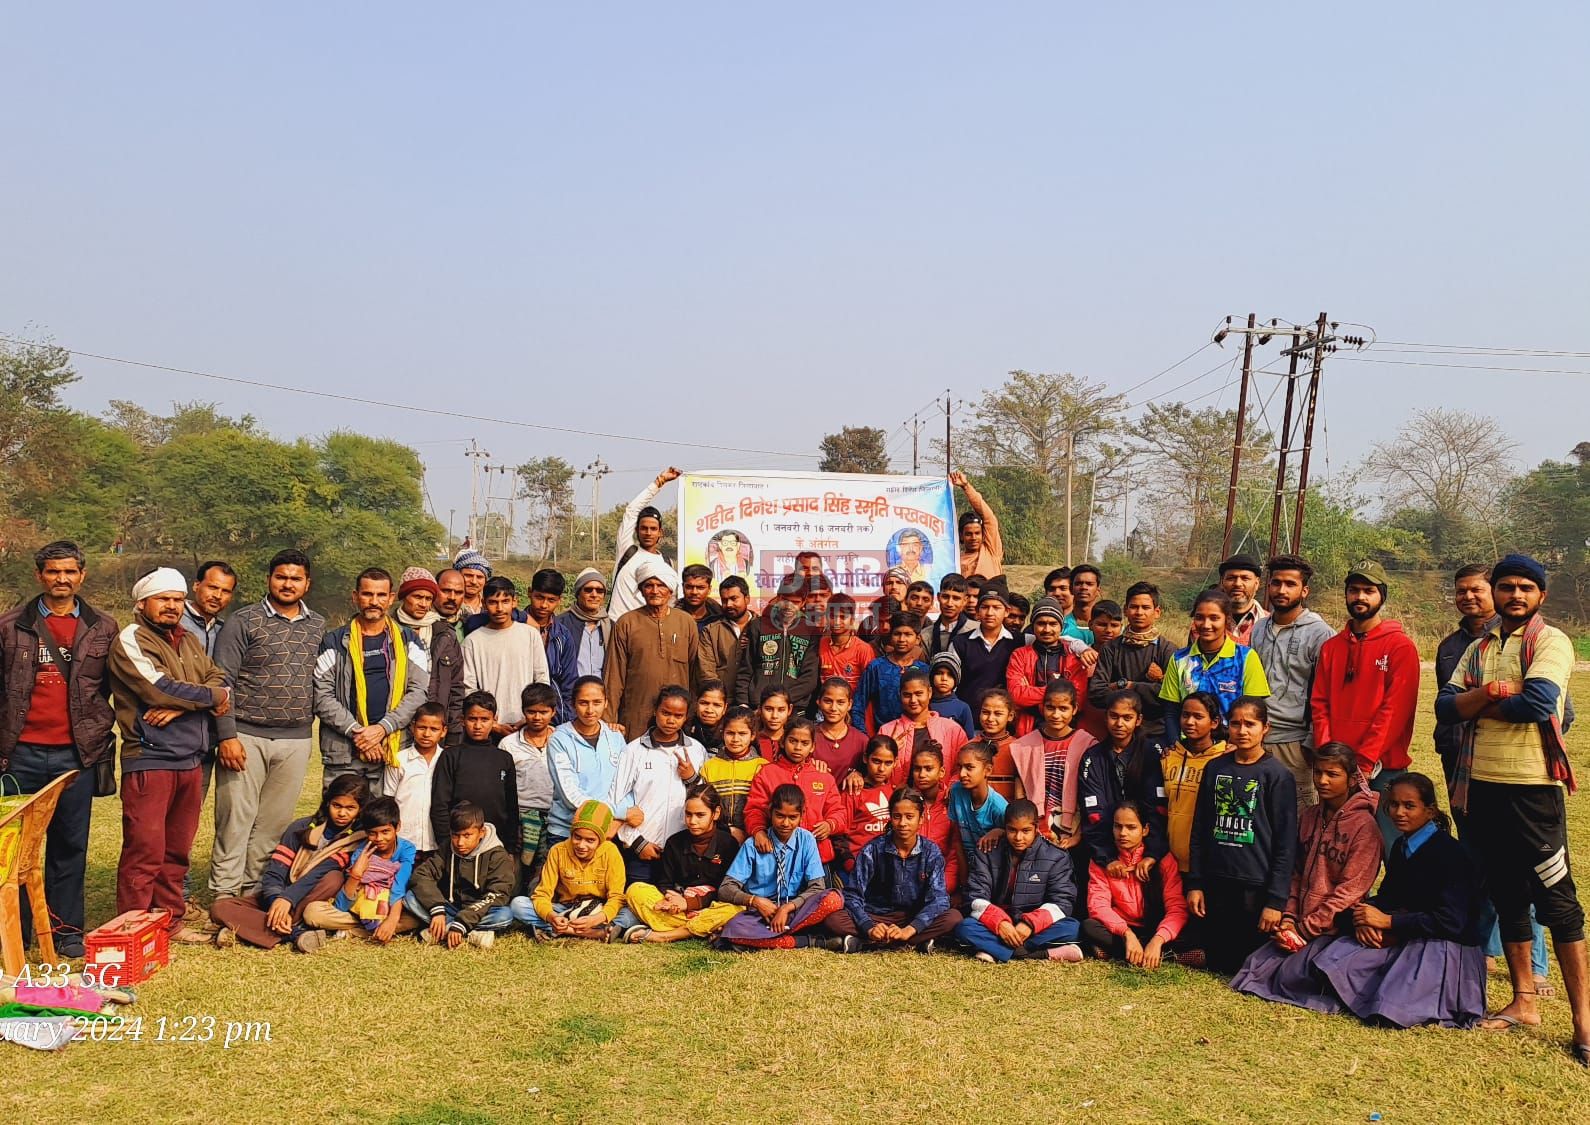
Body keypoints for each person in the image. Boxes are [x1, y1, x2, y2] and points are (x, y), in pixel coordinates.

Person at [1436, 554, 1588, 1059]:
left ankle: (1584, 1020)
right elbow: (1442, 706)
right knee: (1505, 890)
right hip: (1480, 786)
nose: (1515, 595)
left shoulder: (1551, 641)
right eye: (1507, 587)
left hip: (1531, 789)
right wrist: (1494, 693)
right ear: (1495, 593)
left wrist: (1478, 701)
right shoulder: (1480, 645)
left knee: (1557, 899)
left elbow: (1540, 703)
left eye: (1526, 587)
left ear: (1541, 595)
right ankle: (1523, 999)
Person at [1231, 773, 1487, 1029]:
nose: (1399, 812)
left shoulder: (1450, 853)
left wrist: (1389, 922)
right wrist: (1364, 918)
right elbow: (1389, 897)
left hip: (1444, 947)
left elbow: (1452, 921)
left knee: (1390, 1004)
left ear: (1430, 811)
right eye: (1394, 804)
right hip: (1405, 933)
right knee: (1319, 964)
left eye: (1409, 806)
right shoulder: (1401, 846)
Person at [1436, 563, 1551, 995]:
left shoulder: (1534, 642)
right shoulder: (1453, 646)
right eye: (1461, 591)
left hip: (1520, 768)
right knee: (1479, 860)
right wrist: (1475, 706)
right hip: (1463, 765)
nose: (1469, 597)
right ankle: (1484, 947)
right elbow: (1446, 707)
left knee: (1527, 865)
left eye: (1477, 590)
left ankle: (1537, 964)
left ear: (1495, 593)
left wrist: (1477, 707)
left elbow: (1555, 710)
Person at [0, 541, 118, 957]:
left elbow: (111, 689)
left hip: (75, 755)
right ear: (40, 576)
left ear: (82, 575)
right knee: (13, 849)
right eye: (53, 571)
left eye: (69, 571)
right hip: (19, 755)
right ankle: (18, 932)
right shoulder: (10, 625)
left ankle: (66, 931)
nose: (61, 579)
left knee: (70, 845)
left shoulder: (103, 627)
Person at [107, 566, 231, 945]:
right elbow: (158, 688)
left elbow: (221, 679)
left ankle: (169, 922)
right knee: (145, 849)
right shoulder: (131, 639)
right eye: (164, 599)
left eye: (177, 600)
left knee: (176, 850)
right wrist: (209, 700)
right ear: (142, 602)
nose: (172, 606)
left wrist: (186, 705)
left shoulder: (187, 641)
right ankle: (133, 926)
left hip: (190, 758)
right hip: (150, 757)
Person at [208, 549, 325, 913]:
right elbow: (222, 681)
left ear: (307, 583)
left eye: (295, 578)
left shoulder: (318, 626)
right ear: (269, 579)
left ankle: (253, 890)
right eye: (281, 577)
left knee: (273, 824)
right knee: (235, 819)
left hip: (295, 737)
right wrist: (226, 735)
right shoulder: (243, 621)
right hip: (245, 734)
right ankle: (224, 894)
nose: (287, 584)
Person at [1228, 742, 1382, 984]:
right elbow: (1295, 871)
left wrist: (1304, 929)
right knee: (1252, 966)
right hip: (1298, 920)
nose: (1322, 781)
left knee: (1293, 977)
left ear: (1352, 780)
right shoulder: (1309, 816)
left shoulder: (1365, 827)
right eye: (1318, 772)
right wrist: (1289, 917)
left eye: (1332, 775)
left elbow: (1350, 892)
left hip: (1333, 927)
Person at [1309, 561, 1419, 848]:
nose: (1360, 597)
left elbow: (1394, 711)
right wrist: (1329, 756)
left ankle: (1396, 895)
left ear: (1381, 596)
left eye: (1368, 590)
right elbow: (1319, 703)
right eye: (1354, 590)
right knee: (1338, 845)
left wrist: (1365, 763)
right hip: (1338, 770)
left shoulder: (1400, 646)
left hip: (1382, 769)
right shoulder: (1331, 647)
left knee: (1390, 844)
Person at [1185, 697, 1298, 974]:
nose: (1242, 730)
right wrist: (1195, 882)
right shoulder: (1216, 768)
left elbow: (1285, 843)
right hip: (1216, 882)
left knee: (1247, 964)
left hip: (1255, 886)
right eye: (1235, 724)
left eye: (1250, 724)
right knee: (1217, 961)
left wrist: (1275, 901)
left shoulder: (1277, 775)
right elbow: (1200, 827)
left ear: (1265, 728)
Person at [211, 773, 367, 950]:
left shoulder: (356, 839)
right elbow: (275, 872)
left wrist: (288, 899)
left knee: (333, 878)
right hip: (281, 894)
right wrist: (276, 900)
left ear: (360, 809)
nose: (342, 813)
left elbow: (318, 874)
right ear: (327, 803)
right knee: (219, 907)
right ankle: (294, 933)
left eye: (350, 808)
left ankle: (247, 929)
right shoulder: (301, 828)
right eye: (336, 805)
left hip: (309, 901)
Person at [314, 567, 431, 790]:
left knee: (383, 822)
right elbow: (322, 695)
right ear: (355, 597)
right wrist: (359, 734)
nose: (374, 601)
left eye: (380, 595)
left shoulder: (410, 642)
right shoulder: (334, 642)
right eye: (367, 594)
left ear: (391, 598)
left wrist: (382, 729)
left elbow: (419, 692)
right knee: (340, 820)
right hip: (344, 752)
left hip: (393, 748)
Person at [1249, 555, 1334, 812]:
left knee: (1297, 820)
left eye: (1290, 584)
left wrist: (1311, 743)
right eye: (1276, 583)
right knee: (1257, 817)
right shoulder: (1259, 629)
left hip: (1296, 744)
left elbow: (1326, 693)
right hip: (1257, 739)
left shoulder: (1320, 634)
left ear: (1304, 590)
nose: (1281, 590)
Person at [827, 787, 961, 952]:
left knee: (953, 917)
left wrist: (910, 929)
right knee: (834, 919)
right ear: (890, 818)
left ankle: (869, 942)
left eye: (909, 817)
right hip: (876, 916)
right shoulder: (874, 849)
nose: (903, 823)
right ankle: (908, 942)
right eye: (897, 817)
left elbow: (939, 899)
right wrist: (868, 926)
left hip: (912, 917)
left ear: (921, 819)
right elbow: (853, 894)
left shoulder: (930, 851)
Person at [717, 785, 847, 951]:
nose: (786, 823)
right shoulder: (753, 845)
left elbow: (817, 887)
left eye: (793, 817)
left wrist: (787, 908)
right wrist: (755, 901)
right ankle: (808, 941)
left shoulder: (806, 840)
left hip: (796, 909)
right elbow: (725, 889)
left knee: (833, 899)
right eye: (780, 816)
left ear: (802, 815)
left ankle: (773, 938)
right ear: (770, 812)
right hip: (763, 914)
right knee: (733, 928)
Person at [954, 798, 1084, 963]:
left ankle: (993, 950)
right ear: (1004, 828)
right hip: (998, 924)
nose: (1018, 837)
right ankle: (1044, 954)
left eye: (1026, 831)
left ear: (1036, 828)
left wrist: (1030, 925)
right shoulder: (988, 851)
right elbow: (974, 895)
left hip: (1035, 924)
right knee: (964, 928)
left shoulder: (1056, 856)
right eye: (1012, 830)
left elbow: (1063, 901)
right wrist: (1000, 923)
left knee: (1072, 928)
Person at [610, 684, 707, 884]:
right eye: (665, 713)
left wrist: (691, 777)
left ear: (686, 717)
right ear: (655, 711)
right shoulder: (634, 750)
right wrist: (636, 842)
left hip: (683, 851)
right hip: (642, 849)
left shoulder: (696, 751)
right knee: (636, 905)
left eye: (678, 715)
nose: (671, 720)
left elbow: (705, 800)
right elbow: (616, 800)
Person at [623, 785, 743, 942]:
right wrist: (672, 900)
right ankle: (702, 929)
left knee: (736, 910)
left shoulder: (728, 844)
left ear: (716, 813)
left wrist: (690, 903)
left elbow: (726, 890)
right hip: (679, 909)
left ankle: (665, 935)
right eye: (688, 814)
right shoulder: (675, 842)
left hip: (710, 906)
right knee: (635, 890)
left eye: (700, 815)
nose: (692, 821)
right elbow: (665, 883)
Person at [298, 796, 419, 950]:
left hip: (389, 907)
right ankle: (373, 928)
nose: (379, 839)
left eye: (385, 832)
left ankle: (354, 931)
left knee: (417, 915)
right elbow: (341, 906)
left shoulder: (407, 848)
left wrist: (392, 919)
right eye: (372, 833)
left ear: (398, 827)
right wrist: (356, 874)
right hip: (358, 909)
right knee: (312, 913)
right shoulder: (362, 851)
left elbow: (399, 885)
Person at [1081, 800, 1188, 968]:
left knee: (1193, 928)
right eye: (1118, 826)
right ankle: (1162, 955)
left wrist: (1159, 939)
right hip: (1122, 928)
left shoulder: (1163, 860)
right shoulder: (1103, 861)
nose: (1123, 833)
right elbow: (1098, 905)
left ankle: (1136, 951)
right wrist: (1127, 934)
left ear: (1145, 830)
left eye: (1131, 827)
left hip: (1156, 927)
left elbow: (1176, 906)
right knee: (1089, 926)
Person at [1158, 587, 1269, 747]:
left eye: (1214, 618)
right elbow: (1171, 710)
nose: (1206, 624)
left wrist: (1236, 746)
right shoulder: (1179, 659)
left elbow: (1255, 710)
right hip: (1189, 749)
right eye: (1199, 617)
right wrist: (1177, 748)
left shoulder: (1246, 658)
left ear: (1227, 619)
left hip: (1231, 750)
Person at [604, 557, 701, 739]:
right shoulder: (627, 623)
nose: (655, 591)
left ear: (670, 589)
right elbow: (614, 676)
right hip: (636, 715)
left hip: (677, 717)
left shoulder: (686, 622)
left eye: (661, 585)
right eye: (649, 585)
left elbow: (695, 672)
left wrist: (692, 714)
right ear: (641, 590)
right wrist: (609, 719)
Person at [1077, 690, 1168, 874]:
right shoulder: (1092, 758)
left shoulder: (1153, 753)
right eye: (1114, 716)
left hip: (1150, 853)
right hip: (1106, 855)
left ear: (1139, 720)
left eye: (1127, 717)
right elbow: (1093, 814)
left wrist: (1152, 854)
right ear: (1106, 717)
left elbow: (1157, 809)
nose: (1119, 724)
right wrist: (1107, 858)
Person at [408, 800, 517, 948]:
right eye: (455, 835)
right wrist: (437, 909)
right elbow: (421, 875)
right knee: (410, 898)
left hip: (479, 909)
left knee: (504, 916)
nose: (460, 842)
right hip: (450, 906)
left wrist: (463, 921)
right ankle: (470, 934)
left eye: (467, 835)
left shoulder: (497, 855)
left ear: (481, 832)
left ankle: (448, 929)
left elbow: (498, 893)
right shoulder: (448, 847)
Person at [744, 718, 847, 869]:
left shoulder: (823, 776)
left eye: (805, 743)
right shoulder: (767, 773)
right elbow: (754, 809)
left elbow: (838, 811)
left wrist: (830, 824)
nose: (798, 747)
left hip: (817, 856)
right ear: (782, 742)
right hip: (775, 854)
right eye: (793, 741)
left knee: (820, 893)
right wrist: (758, 832)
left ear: (813, 747)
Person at [428, 691, 519, 860]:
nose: (478, 726)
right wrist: (447, 844)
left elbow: (511, 806)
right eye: (472, 719)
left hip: (496, 843)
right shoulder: (451, 756)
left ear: (495, 720)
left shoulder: (504, 758)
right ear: (463, 720)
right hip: (459, 844)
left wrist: (510, 848)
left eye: (484, 720)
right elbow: (440, 804)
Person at [546, 677, 632, 845]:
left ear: (606, 703)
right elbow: (570, 795)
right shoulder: (559, 739)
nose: (590, 710)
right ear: (572, 704)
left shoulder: (615, 737)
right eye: (583, 703)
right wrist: (621, 812)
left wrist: (614, 821)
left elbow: (627, 783)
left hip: (608, 831)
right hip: (567, 832)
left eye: (597, 702)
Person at [1009, 679, 1094, 850]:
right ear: (1042, 708)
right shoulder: (1025, 745)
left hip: (1074, 831)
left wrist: (1078, 835)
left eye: (1063, 709)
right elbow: (1020, 794)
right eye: (1050, 708)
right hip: (1032, 833)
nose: (1056, 715)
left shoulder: (1087, 744)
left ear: (1074, 709)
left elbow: (1092, 795)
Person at [461, 576, 550, 736]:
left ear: (515, 601)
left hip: (527, 725)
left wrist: (528, 718)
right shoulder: (472, 641)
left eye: (505, 601)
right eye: (493, 602)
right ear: (484, 603)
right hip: (488, 729)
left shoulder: (530, 635)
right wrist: (493, 724)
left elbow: (542, 680)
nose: (500, 608)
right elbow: (469, 689)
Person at [1088, 581, 1176, 734]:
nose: (1139, 612)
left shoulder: (1168, 650)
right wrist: (1148, 689)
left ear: (1157, 612)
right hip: (1117, 731)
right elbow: (1096, 693)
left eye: (1146, 607)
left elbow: (1170, 697)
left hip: (1155, 733)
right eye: (1134, 607)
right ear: (1125, 610)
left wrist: (1127, 686)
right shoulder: (1111, 648)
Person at [1160, 691, 1229, 873]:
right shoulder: (1169, 756)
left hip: (1210, 866)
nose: (1190, 722)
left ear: (1214, 722)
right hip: (1172, 865)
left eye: (1198, 717)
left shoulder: (1226, 759)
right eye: (1185, 715)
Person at [395, 567, 465, 743]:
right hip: (395, 726)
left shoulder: (445, 633)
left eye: (428, 598)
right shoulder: (388, 629)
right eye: (417, 597)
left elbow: (456, 688)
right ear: (404, 596)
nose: (423, 604)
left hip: (433, 729)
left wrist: (453, 734)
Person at [735, 572, 822, 715]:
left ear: (804, 602)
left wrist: (780, 701)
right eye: (785, 600)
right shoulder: (758, 625)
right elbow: (746, 668)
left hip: (794, 709)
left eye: (795, 602)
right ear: (778, 597)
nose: (789, 606)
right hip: (758, 709)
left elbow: (810, 678)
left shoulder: (811, 630)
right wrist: (743, 703)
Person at [1007, 596, 1093, 737]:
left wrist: (1030, 692)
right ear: (1032, 625)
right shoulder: (1020, 655)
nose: (1047, 629)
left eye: (1053, 624)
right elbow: (1015, 695)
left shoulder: (1074, 658)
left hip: (1067, 731)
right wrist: (1062, 691)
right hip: (1028, 730)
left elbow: (1078, 700)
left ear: (1061, 626)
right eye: (1041, 623)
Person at [501, 683, 558, 882]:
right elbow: (503, 788)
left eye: (543, 712)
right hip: (521, 817)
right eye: (531, 712)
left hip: (555, 817)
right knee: (515, 875)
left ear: (553, 712)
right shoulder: (509, 744)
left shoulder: (564, 740)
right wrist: (512, 822)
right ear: (524, 711)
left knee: (545, 874)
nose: (537, 717)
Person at [610, 467, 681, 622]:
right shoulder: (626, 550)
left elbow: (671, 601)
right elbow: (631, 511)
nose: (648, 533)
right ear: (636, 530)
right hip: (615, 626)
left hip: (646, 633)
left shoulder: (667, 564)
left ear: (660, 532)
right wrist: (659, 482)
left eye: (653, 529)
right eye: (644, 528)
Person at [878, 668, 969, 785]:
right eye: (907, 695)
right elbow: (876, 770)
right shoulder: (888, 730)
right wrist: (889, 750)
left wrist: (949, 791)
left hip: (942, 800)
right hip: (898, 800)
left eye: (919, 694)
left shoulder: (951, 729)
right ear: (899, 695)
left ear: (929, 692)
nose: (913, 700)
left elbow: (963, 766)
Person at [384, 702, 448, 857]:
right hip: (404, 838)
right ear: (412, 727)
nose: (426, 734)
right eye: (422, 728)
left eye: (434, 729)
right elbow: (389, 798)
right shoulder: (399, 760)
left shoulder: (446, 760)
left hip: (436, 839)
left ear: (443, 731)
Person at [852, 613, 928, 732]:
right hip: (883, 738)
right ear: (890, 636)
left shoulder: (923, 670)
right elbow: (858, 705)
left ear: (918, 639)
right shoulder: (876, 667)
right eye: (897, 634)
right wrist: (863, 736)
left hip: (917, 735)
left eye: (908, 634)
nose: (902, 639)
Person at [950, 588, 1021, 713]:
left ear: (1007, 611)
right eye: (985, 607)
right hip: (968, 717)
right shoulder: (960, 643)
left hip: (1005, 720)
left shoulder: (1020, 642)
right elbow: (951, 684)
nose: (990, 613)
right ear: (977, 611)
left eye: (996, 607)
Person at [701, 705, 764, 840]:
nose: (735, 739)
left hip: (753, 839)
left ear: (752, 735)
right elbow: (705, 806)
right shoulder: (710, 766)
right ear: (722, 732)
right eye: (730, 733)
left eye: (742, 734)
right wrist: (726, 830)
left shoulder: (762, 767)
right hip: (718, 837)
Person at [525, 569, 578, 723]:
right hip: (518, 709)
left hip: (553, 714)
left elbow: (569, 682)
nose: (544, 605)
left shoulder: (563, 635)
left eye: (551, 600)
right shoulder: (514, 626)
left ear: (559, 600)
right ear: (530, 593)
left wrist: (566, 719)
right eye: (539, 597)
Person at [837, 736, 898, 869]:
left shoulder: (896, 792)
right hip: (858, 865)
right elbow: (839, 835)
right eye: (876, 761)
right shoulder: (853, 791)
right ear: (865, 758)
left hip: (888, 867)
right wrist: (850, 865)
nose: (881, 768)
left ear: (895, 763)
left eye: (888, 763)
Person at [947, 741, 1008, 859]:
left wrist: (1001, 831)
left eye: (969, 767)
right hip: (964, 860)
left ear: (988, 770)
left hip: (989, 866)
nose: (962, 773)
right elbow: (957, 839)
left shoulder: (999, 807)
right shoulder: (956, 791)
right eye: (960, 767)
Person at [557, 569, 611, 680]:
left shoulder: (611, 626)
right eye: (588, 590)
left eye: (599, 591)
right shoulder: (561, 624)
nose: (594, 595)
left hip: (601, 693)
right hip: (571, 692)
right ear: (578, 593)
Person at [699, 576, 752, 687]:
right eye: (724, 600)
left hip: (755, 699)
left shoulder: (762, 627)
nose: (728, 604)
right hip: (723, 699)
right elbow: (707, 671)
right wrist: (717, 696)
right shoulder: (710, 631)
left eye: (734, 599)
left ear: (747, 599)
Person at [950, 470, 1004, 578]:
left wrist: (966, 486)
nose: (973, 537)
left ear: (983, 534)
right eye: (968, 534)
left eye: (977, 533)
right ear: (961, 536)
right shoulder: (955, 563)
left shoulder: (990, 551)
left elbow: (990, 519)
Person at [818, 593, 874, 698]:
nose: (837, 622)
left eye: (843, 617)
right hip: (824, 709)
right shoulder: (820, 645)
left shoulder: (863, 649)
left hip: (853, 709)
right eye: (832, 616)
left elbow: (869, 687)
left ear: (852, 619)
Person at [813, 677, 868, 776]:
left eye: (840, 702)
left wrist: (859, 775)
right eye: (828, 701)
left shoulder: (862, 741)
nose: (833, 708)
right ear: (819, 702)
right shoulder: (809, 736)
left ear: (849, 704)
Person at [182, 560, 237, 656]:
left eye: (225, 591)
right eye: (213, 588)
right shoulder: (176, 620)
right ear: (196, 586)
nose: (218, 596)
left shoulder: (224, 630)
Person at [974, 687, 1019, 800]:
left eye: (998, 714)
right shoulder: (970, 746)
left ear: (1010, 716)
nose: (990, 718)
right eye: (985, 712)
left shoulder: (1017, 748)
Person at [1218, 554, 1268, 645]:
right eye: (1231, 578)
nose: (1237, 584)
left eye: (1245, 578)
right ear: (1222, 582)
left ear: (1256, 584)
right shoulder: (1205, 623)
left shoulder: (1270, 624)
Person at [921, 574, 976, 657]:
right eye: (945, 597)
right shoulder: (925, 635)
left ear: (965, 601)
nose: (949, 604)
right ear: (939, 597)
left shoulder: (976, 630)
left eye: (956, 598)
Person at [927, 651, 975, 736]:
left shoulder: (962, 708)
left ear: (956, 679)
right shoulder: (924, 704)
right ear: (931, 676)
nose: (944, 678)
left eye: (950, 675)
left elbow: (969, 740)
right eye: (939, 673)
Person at [687, 679, 728, 751]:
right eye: (704, 703)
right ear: (696, 704)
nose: (709, 710)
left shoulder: (731, 732)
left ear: (725, 708)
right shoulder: (684, 729)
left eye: (717, 705)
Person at [678, 564, 723, 629]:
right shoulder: (670, 616)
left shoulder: (721, 619)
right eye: (689, 587)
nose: (694, 592)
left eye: (700, 588)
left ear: (709, 589)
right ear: (683, 587)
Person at [754, 685, 792, 760]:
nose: (774, 716)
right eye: (769, 709)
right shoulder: (752, 740)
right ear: (760, 709)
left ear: (789, 710)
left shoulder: (795, 741)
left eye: (781, 710)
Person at [452, 550, 491, 619]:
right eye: (468, 575)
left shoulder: (491, 605)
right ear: (457, 576)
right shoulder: (447, 605)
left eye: (479, 577)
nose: (474, 582)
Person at [433, 568, 470, 641]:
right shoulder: (421, 624)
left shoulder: (469, 624)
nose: (452, 597)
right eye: (446, 591)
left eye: (458, 592)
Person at [1069, 564, 1102, 629]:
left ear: (1098, 590)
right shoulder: (1060, 626)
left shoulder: (1109, 628)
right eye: (1078, 584)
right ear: (1071, 589)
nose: (1083, 587)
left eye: (1089, 584)